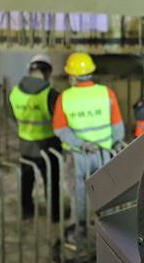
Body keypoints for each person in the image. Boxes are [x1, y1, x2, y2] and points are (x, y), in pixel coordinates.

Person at [53, 52, 125, 241]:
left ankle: (80, 231)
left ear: (73, 76)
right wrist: (115, 144)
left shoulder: (65, 97)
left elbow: (60, 129)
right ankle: (111, 233)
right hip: (106, 155)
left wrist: (82, 143)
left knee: (79, 192)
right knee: (107, 191)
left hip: (79, 156)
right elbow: (118, 126)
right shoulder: (106, 93)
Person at [8, 54, 61, 221]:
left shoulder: (14, 92)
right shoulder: (51, 94)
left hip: (25, 144)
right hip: (48, 144)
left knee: (26, 179)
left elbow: (11, 116)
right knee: (51, 181)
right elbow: (59, 120)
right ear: (48, 72)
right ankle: (54, 214)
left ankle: (26, 210)